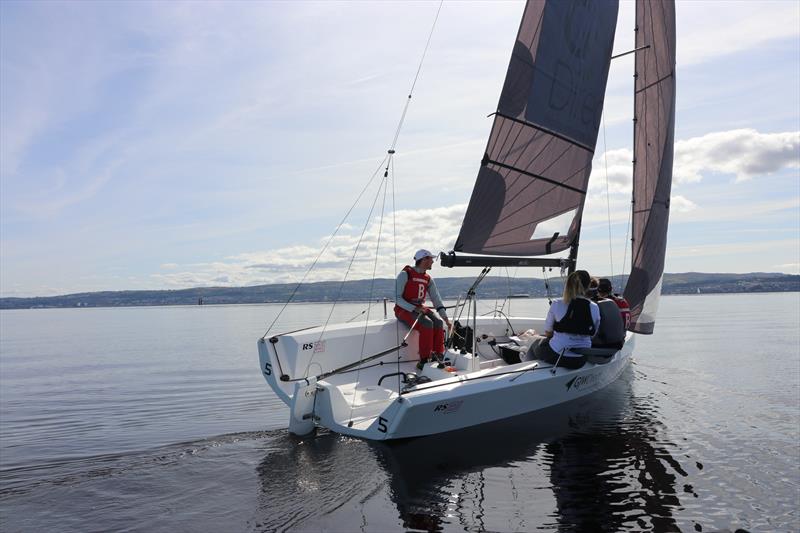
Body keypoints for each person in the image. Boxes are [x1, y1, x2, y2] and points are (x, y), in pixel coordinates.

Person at [529, 270, 600, 369]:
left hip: (558, 356)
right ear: (588, 285)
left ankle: (527, 373)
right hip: (581, 359)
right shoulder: (594, 307)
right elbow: (593, 334)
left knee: (535, 345)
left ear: (567, 285)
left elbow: (548, 333)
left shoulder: (557, 304)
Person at [395, 249, 452, 370]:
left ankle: (438, 355)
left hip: (419, 308)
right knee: (427, 324)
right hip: (403, 309)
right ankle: (424, 360)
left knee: (438, 323)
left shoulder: (428, 279)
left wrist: (446, 318)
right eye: (431, 259)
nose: (432, 262)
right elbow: (397, 298)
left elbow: (436, 299)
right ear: (424, 259)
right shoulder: (405, 274)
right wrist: (414, 308)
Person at [591, 278, 626, 349]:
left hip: (605, 343)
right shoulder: (622, 301)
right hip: (620, 338)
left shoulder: (599, 304)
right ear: (611, 289)